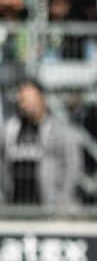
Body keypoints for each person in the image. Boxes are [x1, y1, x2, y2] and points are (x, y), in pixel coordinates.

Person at [0, 78, 81, 212]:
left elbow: (73, 168)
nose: (25, 105)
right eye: (22, 100)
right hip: (14, 207)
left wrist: (63, 203)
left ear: (42, 99)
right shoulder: (10, 129)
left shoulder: (60, 131)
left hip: (48, 208)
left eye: (30, 100)